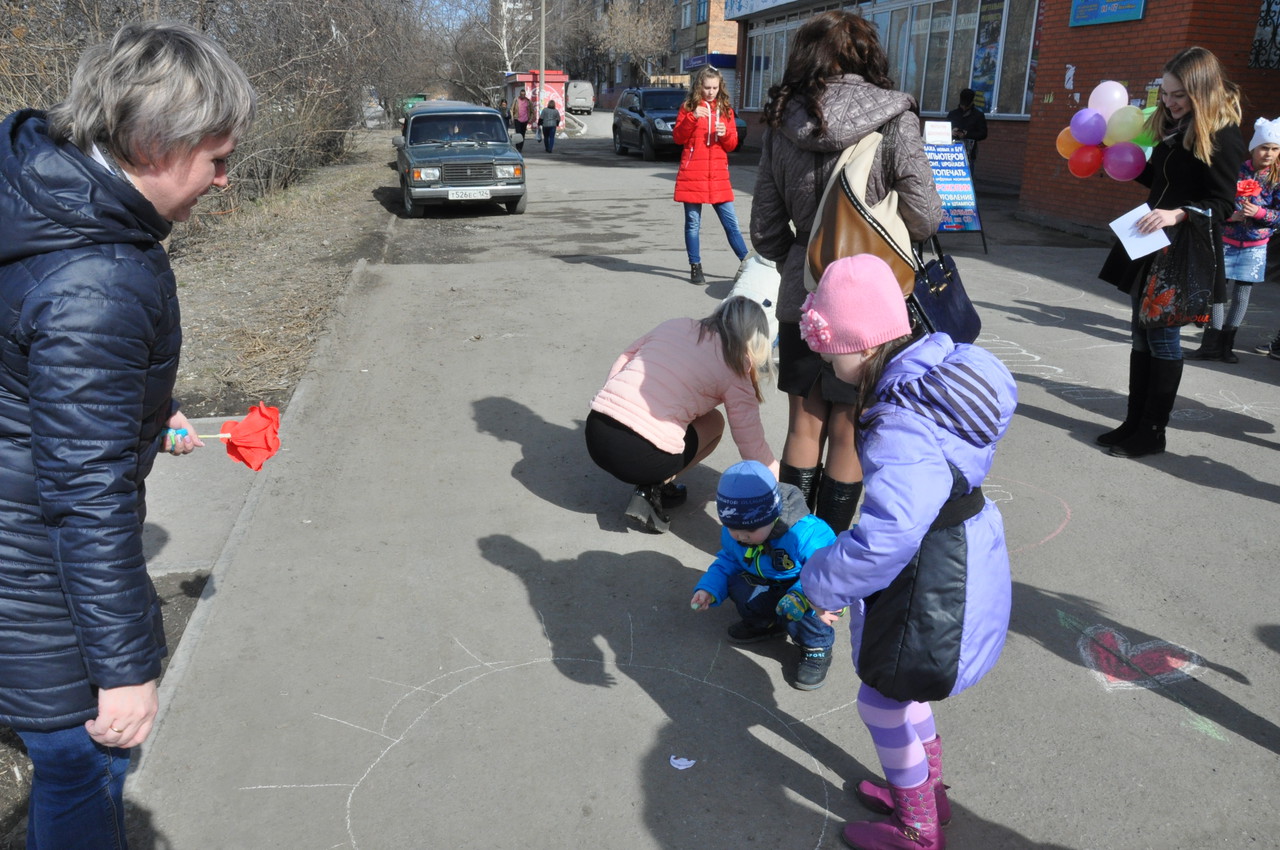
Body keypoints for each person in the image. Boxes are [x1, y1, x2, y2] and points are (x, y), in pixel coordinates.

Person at [0, 21, 255, 848]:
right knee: (86, 764)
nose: (224, 179)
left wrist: (145, 408)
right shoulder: (97, 281)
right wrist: (122, 675)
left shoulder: (42, 195)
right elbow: (86, 494)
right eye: (216, 158)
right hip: (34, 582)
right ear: (152, 143)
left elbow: (43, 373)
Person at [795, 254, 1016, 850]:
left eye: (833, 349)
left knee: (881, 699)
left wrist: (822, 583)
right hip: (961, 547)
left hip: (931, 575)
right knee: (902, 689)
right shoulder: (933, 378)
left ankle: (917, 828)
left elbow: (890, 534)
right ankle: (926, 792)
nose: (828, 362)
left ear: (864, 344)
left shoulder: (899, 421)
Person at [750, 10, 942, 535]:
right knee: (849, 429)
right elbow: (925, 217)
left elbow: (765, 233)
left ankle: (788, 548)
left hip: (802, 295)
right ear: (866, 53)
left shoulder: (782, 122)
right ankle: (829, 557)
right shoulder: (895, 117)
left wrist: (806, 253)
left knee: (803, 424)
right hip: (872, 306)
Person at [1097, 46, 1246, 458]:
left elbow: (1223, 203)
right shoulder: (1172, 127)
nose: (1169, 102)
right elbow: (1163, 180)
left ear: (1201, 91)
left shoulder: (1223, 134)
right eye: (1165, 93)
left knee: (1163, 341)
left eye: (1178, 95)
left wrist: (1177, 214)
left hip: (1180, 251)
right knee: (1141, 337)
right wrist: (1119, 162)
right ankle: (1132, 422)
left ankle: (1153, 432)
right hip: (1149, 244)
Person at [586, 296, 779, 533]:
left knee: (684, 408)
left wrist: (613, 404)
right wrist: (776, 482)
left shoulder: (675, 324)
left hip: (596, 430)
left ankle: (655, 480)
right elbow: (751, 443)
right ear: (756, 339)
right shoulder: (734, 365)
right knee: (715, 423)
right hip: (638, 458)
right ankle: (652, 486)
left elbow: (626, 356)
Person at [690, 461, 838, 690]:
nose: (741, 537)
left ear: (773, 515)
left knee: (806, 609)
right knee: (738, 584)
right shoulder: (735, 534)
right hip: (765, 581)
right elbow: (727, 560)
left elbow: (826, 570)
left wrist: (801, 595)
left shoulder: (805, 533)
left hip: (803, 585)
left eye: (750, 530)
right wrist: (708, 588)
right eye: (732, 528)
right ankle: (766, 624)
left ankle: (816, 648)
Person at [1189, 116, 1280, 363]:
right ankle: (1211, 344)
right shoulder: (1237, 171)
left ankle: (1227, 346)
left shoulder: (1276, 178)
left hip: (1255, 247)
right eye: (1264, 148)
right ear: (1253, 148)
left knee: (1242, 296)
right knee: (1218, 294)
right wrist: (1232, 215)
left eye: (1274, 149)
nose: (1269, 154)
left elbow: (1278, 215)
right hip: (1226, 242)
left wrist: (1259, 213)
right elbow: (1220, 201)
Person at [673, 66, 748, 286]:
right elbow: (678, 137)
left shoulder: (725, 110)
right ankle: (695, 267)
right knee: (693, 223)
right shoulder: (688, 107)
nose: (711, 92)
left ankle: (747, 263)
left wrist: (725, 135)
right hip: (692, 174)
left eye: (715, 87)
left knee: (731, 223)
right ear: (699, 86)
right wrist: (692, 118)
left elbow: (732, 144)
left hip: (717, 176)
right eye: (707, 87)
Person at [946, 88, 987, 163]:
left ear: (971, 102)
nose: (964, 107)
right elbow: (943, 129)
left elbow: (983, 134)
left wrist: (967, 134)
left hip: (969, 153)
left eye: (966, 105)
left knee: (968, 172)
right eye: (962, 105)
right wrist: (951, 132)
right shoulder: (952, 114)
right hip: (951, 151)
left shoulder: (978, 115)